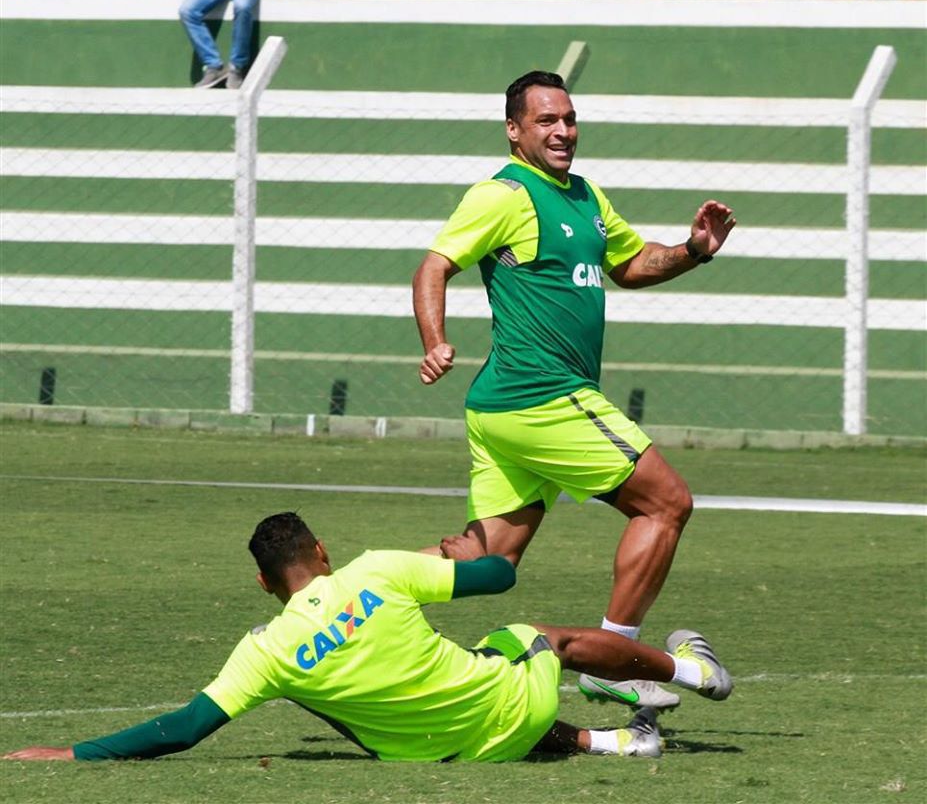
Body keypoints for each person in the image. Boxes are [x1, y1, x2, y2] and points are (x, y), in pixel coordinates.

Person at [412, 70, 736, 712]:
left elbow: (630, 264)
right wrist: (435, 340)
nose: (563, 131)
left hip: (502, 410)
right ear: (514, 130)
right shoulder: (504, 194)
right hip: (543, 395)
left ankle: (333, 598)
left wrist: (693, 249)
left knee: (488, 559)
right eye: (546, 122)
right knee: (666, 503)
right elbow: (435, 265)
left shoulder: (584, 195)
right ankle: (613, 659)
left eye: (568, 119)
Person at [3, 512, 731, 765]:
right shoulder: (378, 570)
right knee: (527, 635)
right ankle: (689, 669)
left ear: (264, 584)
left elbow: (184, 728)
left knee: (420, 691)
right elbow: (499, 580)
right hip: (510, 709)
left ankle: (614, 744)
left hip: (446, 753)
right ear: (321, 551)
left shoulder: (264, 652)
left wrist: (72, 751)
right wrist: (458, 553)